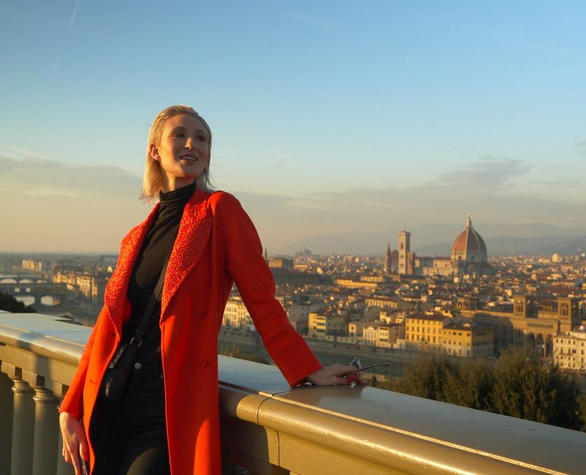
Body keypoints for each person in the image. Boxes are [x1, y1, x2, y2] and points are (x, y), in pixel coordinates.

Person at [58, 105, 360, 475]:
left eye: (202, 138)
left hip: (166, 406)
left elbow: (261, 298)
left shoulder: (220, 210)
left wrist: (305, 369)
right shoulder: (135, 237)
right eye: (180, 135)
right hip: (110, 401)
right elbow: (108, 327)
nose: (192, 144)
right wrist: (70, 407)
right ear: (155, 150)